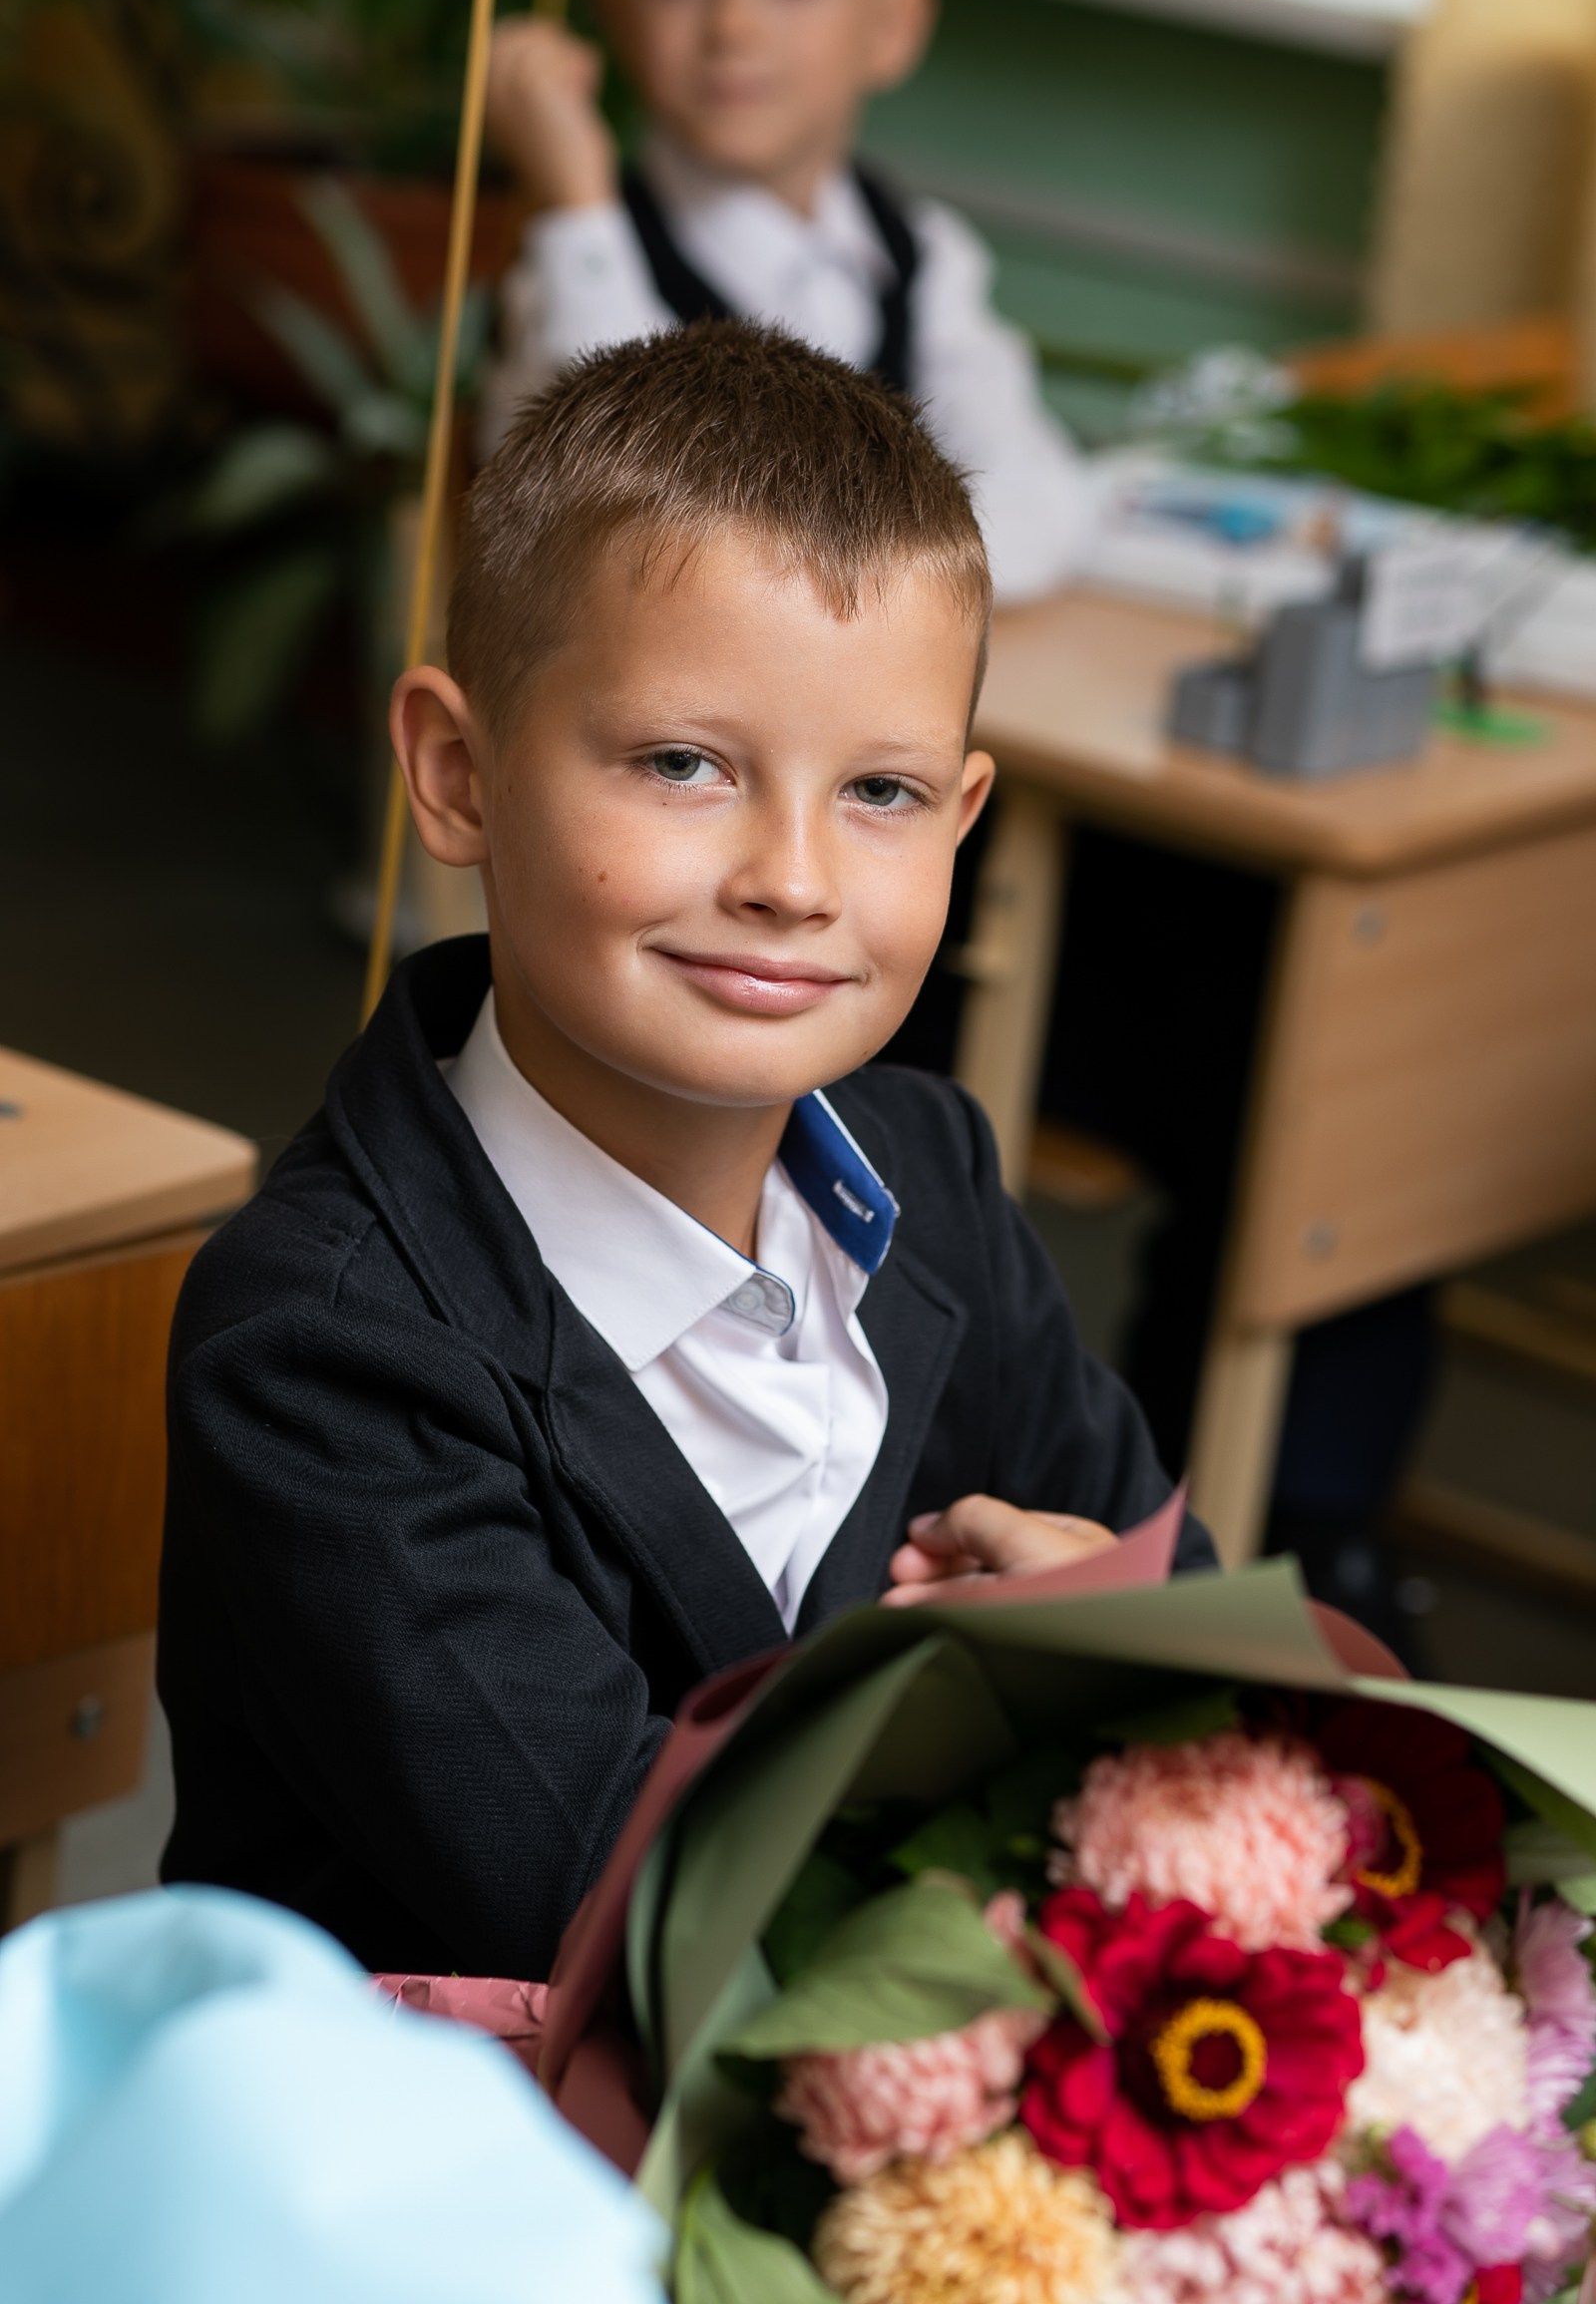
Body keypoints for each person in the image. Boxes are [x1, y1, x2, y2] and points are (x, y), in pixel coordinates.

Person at [159, 326, 1211, 1984]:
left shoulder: (929, 1173)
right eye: (681, 764)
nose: (792, 878)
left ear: (964, 819)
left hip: (925, 2074)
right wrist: (1075, 1694)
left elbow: (1194, 1620)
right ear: (459, 775)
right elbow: (637, 1909)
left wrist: (1134, 1645)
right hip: (461, 2129)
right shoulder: (321, 1344)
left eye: (880, 792)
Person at [478, 0, 1091, 600]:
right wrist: (576, 205)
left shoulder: (922, 256)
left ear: (892, 25)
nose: (732, 26)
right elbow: (611, 529)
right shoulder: (579, 259)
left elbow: (1036, 511)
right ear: (619, 16)